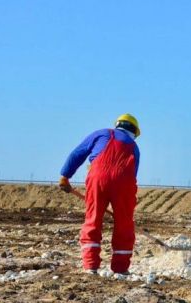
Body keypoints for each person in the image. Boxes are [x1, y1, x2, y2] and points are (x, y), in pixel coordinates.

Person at [58, 114, 141, 275]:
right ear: (134, 131)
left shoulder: (102, 133)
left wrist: (65, 176)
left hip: (98, 178)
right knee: (124, 223)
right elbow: (133, 175)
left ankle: (90, 266)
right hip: (124, 182)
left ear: (117, 125)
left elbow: (77, 154)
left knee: (93, 219)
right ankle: (121, 269)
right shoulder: (134, 147)